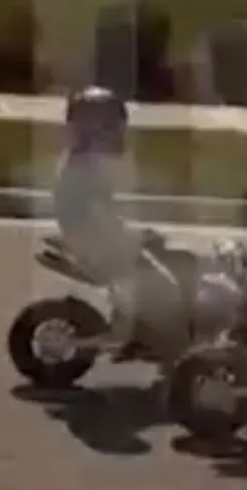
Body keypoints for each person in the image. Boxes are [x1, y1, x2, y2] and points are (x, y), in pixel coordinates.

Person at [52, 85, 187, 364]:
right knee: (168, 289)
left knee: (166, 257)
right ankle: (162, 344)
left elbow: (100, 212)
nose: (120, 134)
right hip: (100, 247)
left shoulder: (81, 162)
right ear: (95, 129)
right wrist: (133, 237)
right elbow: (97, 217)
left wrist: (135, 232)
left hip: (95, 240)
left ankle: (138, 326)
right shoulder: (84, 169)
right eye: (114, 128)